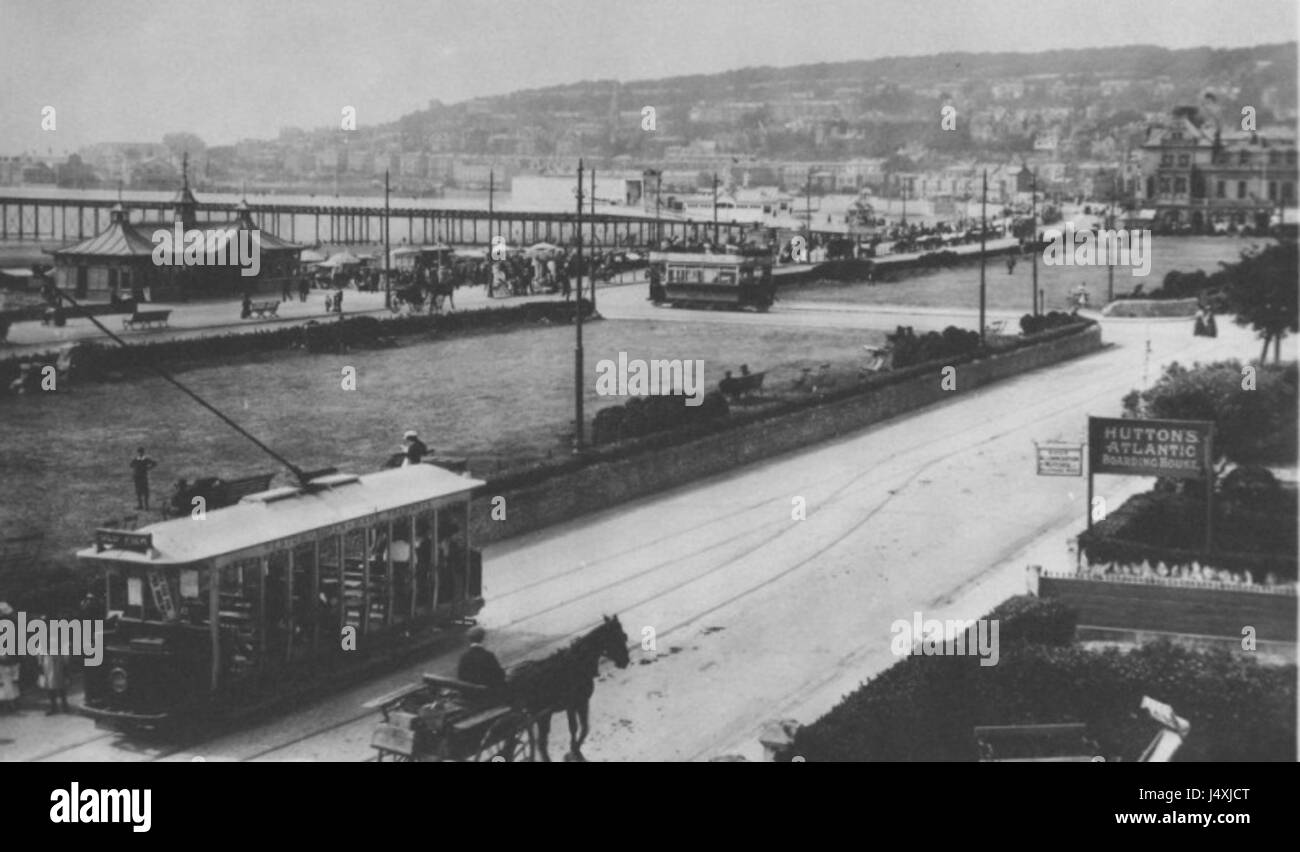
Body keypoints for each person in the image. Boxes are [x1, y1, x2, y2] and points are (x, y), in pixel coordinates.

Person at [457, 627, 505, 697]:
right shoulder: (488, 655)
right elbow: (499, 675)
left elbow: (461, 677)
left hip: (473, 695)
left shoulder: (464, 657)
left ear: (470, 640)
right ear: (483, 638)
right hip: (491, 694)